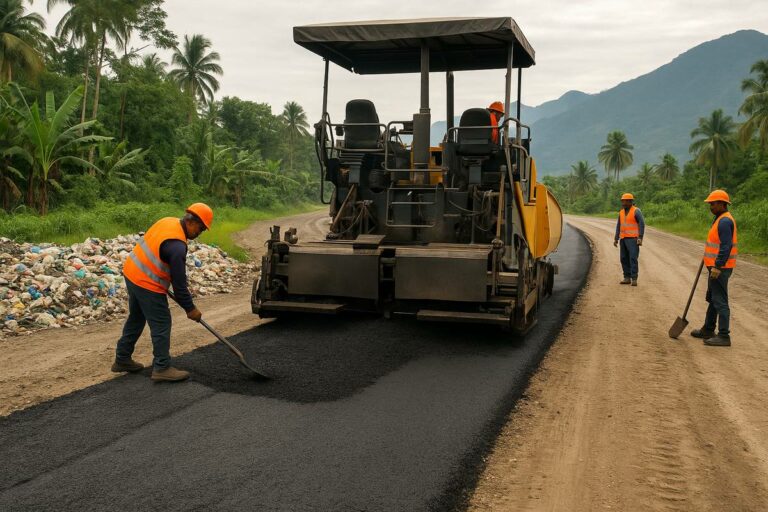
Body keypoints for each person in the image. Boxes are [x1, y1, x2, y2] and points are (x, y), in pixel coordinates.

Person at [111, 203, 214, 382]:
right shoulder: (177, 247)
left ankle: (122, 358)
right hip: (146, 281)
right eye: (201, 228)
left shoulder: (169, 222)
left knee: (137, 317)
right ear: (193, 222)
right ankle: (162, 367)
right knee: (161, 322)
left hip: (132, 271)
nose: (200, 233)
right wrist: (191, 309)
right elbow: (180, 287)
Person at [691, 190, 737, 347]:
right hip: (714, 266)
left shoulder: (724, 221)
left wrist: (718, 266)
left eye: (713, 203)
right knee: (713, 298)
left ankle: (724, 336)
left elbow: (726, 245)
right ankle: (708, 329)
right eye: (710, 203)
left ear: (723, 204)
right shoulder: (719, 219)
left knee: (720, 300)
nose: (710, 206)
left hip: (720, 268)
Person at [613, 193, 645, 286]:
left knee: (633, 258)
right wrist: (616, 238)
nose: (624, 203)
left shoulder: (636, 211)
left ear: (631, 201)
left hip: (633, 239)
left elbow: (641, 224)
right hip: (623, 238)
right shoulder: (621, 212)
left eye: (626, 201)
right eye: (623, 201)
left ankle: (634, 278)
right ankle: (627, 277)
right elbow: (619, 225)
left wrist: (640, 237)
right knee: (623, 258)